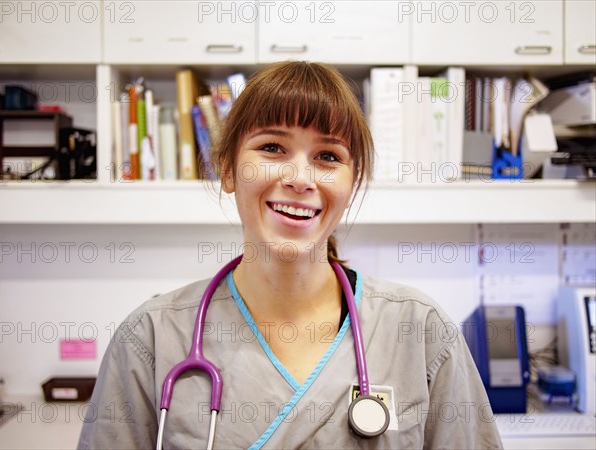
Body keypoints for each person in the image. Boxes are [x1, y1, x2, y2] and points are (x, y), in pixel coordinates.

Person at [78, 61, 503, 449]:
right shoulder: (150, 338)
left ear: (351, 184)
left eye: (327, 156)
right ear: (227, 169)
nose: (300, 178)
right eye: (272, 148)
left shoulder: (420, 331)